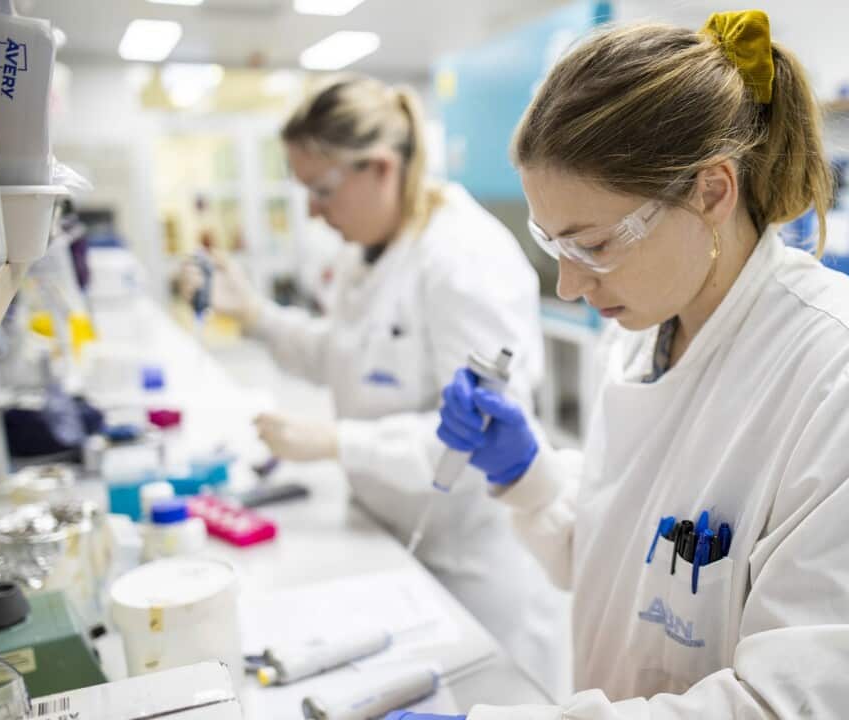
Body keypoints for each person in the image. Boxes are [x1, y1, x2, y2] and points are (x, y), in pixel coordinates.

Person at [402, 10, 849, 720]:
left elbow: (791, 705)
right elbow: (626, 572)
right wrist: (528, 476)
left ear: (712, 191)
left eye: (594, 244)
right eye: (553, 244)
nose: (568, 284)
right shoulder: (642, 333)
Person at [185, 74, 570, 696]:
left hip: (473, 572)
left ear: (382, 168)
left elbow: (482, 431)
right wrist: (254, 316)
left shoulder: (462, 257)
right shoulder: (364, 251)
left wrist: (338, 442)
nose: (313, 210)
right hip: (392, 545)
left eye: (323, 190)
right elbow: (343, 355)